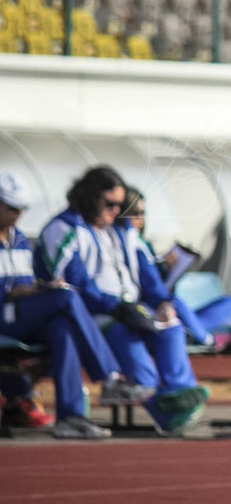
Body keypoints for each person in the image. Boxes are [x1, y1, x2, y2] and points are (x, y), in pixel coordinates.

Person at [33, 166, 210, 437]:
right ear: (90, 198)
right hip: (95, 315)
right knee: (128, 339)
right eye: (110, 204)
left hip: (130, 308)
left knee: (172, 327)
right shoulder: (64, 229)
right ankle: (166, 411)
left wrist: (162, 302)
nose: (117, 210)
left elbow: (148, 276)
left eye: (120, 205)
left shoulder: (121, 231)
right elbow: (76, 284)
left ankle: (179, 394)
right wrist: (116, 306)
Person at [0, 171, 153, 440]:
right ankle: (109, 378)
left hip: (22, 315)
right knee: (69, 297)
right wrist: (18, 291)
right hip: (6, 314)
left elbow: (27, 283)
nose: (19, 213)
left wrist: (39, 289)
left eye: (23, 207)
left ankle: (71, 417)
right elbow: (14, 289)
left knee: (64, 328)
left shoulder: (20, 240)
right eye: (12, 207)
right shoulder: (61, 229)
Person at [121, 186, 231, 351]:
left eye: (143, 213)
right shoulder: (129, 244)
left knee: (230, 304)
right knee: (175, 304)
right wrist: (164, 295)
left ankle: (191, 330)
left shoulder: (140, 243)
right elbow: (150, 288)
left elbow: (153, 281)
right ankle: (206, 339)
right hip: (151, 308)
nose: (140, 218)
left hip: (165, 306)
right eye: (135, 213)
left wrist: (167, 269)